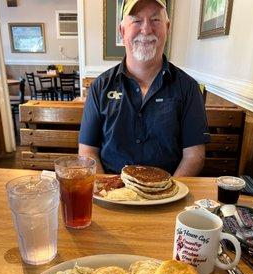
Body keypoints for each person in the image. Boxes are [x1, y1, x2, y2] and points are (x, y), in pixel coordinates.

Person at [79, 0, 209, 176]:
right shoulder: (100, 87)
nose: (146, 29)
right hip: (112, 192)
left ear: (167, 28)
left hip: (168, 195)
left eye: (155, 20)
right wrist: (106, 191)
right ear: (122, 31)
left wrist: (169, 193)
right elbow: (87, 151)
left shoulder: (189, 88)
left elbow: (194, 156)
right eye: (137, 21)